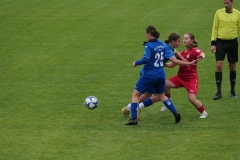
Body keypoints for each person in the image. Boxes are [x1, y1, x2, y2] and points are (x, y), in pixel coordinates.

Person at [125, 26, 196, 125]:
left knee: (136, 94)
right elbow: (174, 59)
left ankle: (133, 118)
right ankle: (175, 112)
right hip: (160, 74)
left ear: (149, 34)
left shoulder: (149, 46)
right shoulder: (162, 45)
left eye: (146, 34)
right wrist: (188, 62)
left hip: (149, 73)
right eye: (179, 41)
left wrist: (136, 63)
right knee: (161, 96)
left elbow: (146, 59)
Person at [161, 33, 208, 118]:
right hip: (180, 77)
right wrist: (165, 65)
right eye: (184, 39)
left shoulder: (194, 51)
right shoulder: (182, 53)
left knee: (191, 99)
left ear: (192, 41)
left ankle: (203, 112)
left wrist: (201, 57)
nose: (184, 40)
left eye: (186, 39)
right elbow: (173, 64)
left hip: (191, 78)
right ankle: (168, 101)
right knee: (165, 85)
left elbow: (202, 53)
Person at [210, 0, 240, 100]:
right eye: (224, 3)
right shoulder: (218, 13)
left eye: (227, 3)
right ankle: (218, 92)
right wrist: (213, 43)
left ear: (232, 2)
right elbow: (215, 27)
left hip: (232, 42)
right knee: (219, 65)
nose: (225, 5)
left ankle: (232, 91)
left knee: (232, 66)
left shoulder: (237, 14)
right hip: (220, 42)